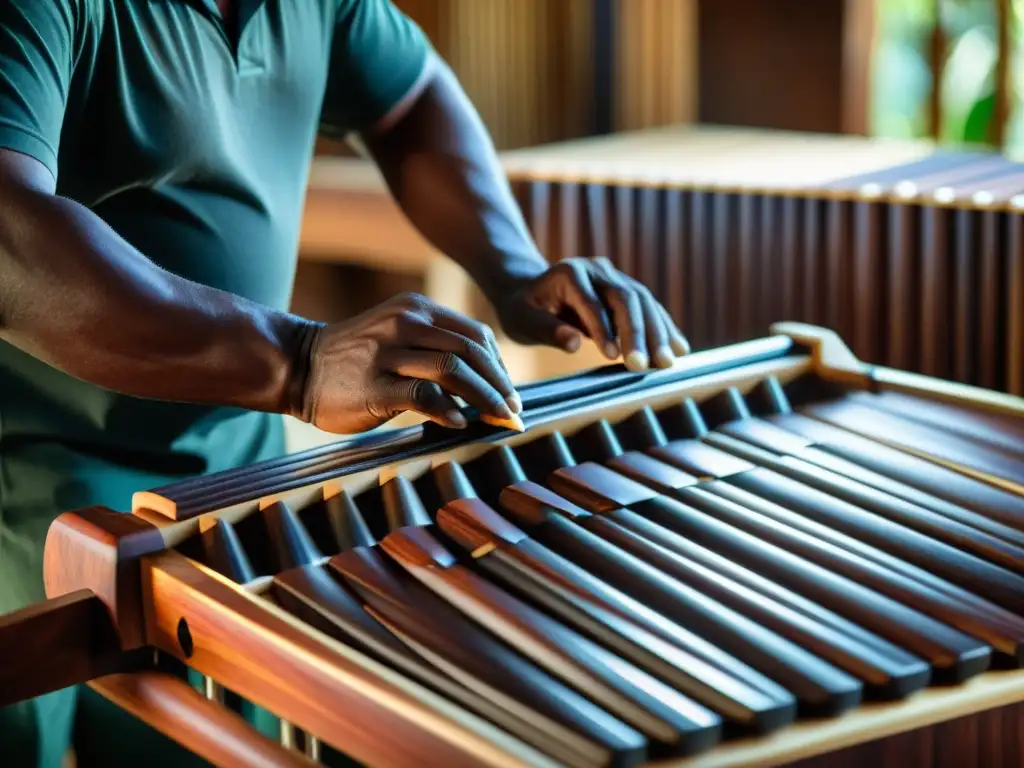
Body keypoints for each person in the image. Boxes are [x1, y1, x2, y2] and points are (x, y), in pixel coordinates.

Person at [0, 0, 690, 765]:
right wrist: (298, 362)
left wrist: (512, 268)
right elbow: (8, 243)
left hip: (230, 481)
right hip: (27, 491)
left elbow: (411, 102)